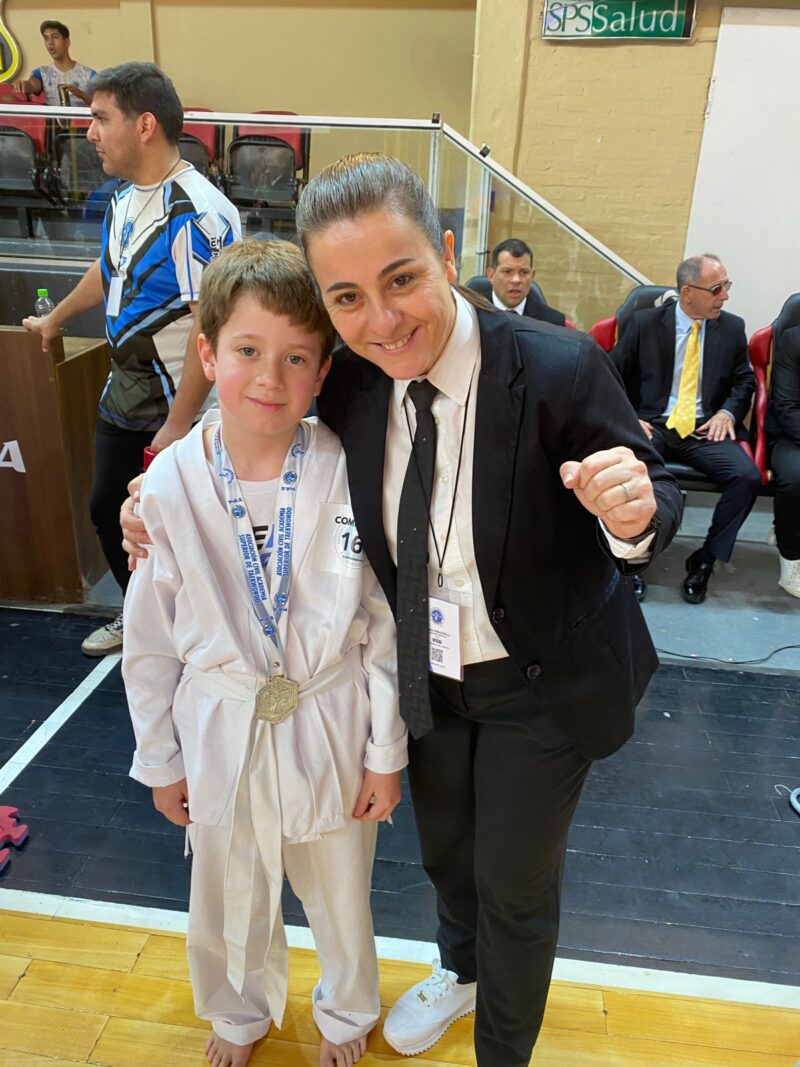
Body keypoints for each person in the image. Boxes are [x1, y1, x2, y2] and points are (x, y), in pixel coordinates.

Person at [122, 153, 682, 1067]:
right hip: (425, 672)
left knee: (513, 882)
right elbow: (257, 418)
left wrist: (634, 514)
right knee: (447, 853)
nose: (382, 320)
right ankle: (460, 971)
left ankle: (503, 1052)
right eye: (347, 298)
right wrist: (152, 495)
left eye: (402, 279)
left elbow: (649, 490)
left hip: (539, 678)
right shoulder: (351, 381)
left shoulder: (557, 366)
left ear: (448, 254)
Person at [123, 239, 407, 1067]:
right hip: (221, 717)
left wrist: (384, 752)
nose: (270, 378)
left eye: (296, 358)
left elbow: (382, 623)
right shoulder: (169, 484)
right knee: (225, 888)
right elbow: (148, 642)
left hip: (329, 711)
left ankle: (346, 1012)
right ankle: (237, 1011)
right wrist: (161, 758)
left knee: (342, 889)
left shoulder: (350, 469)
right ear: (208, 353)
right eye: (247, 351)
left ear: (323, 372)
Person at [23, 62, 241, 657]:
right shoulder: (122, 199)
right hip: (126, 391)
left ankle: (200, 637)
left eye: (100, 118)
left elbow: (211, 325)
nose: (89, 132)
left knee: (189, 531)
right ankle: (142, 619)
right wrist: (56, 318)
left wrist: (179, 424)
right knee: (108, 511)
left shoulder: (198, 212)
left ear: (144, 125)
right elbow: (108, 270)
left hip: (182, 409)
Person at [611, 254, 760, 604]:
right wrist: (630, 417)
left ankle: (705, 560)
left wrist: (727, 412)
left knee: (747, 477)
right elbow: (609, 374)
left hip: (703, 430)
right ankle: (632, 557)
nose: (725, 296)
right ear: (687, 292)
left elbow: (744, 380)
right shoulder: (644, 324)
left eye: (726, 286)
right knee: (630, 472)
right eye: (716, 289)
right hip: (654, 426)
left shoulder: (732, 327)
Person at [765, 324, 800, 597]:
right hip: (792, 434)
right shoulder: (793, 339)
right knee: (795, 477)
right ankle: (791, 558)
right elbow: (787, 406)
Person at [484, 237, 567, 325]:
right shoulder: (474, 314)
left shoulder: (552, 321)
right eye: (507, 272)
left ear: (532, 276)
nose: (516, 280)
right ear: (491, 275)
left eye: (524, 272)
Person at [15, 20, 96, 106]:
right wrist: (24, 85)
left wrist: (82, 95)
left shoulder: (88, 74)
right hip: (51, 115)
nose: (50, 42)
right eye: (46, 38)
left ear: (66, 42)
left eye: (55, 37)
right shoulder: (43, 73)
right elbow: (33, 84)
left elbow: (102, 101)